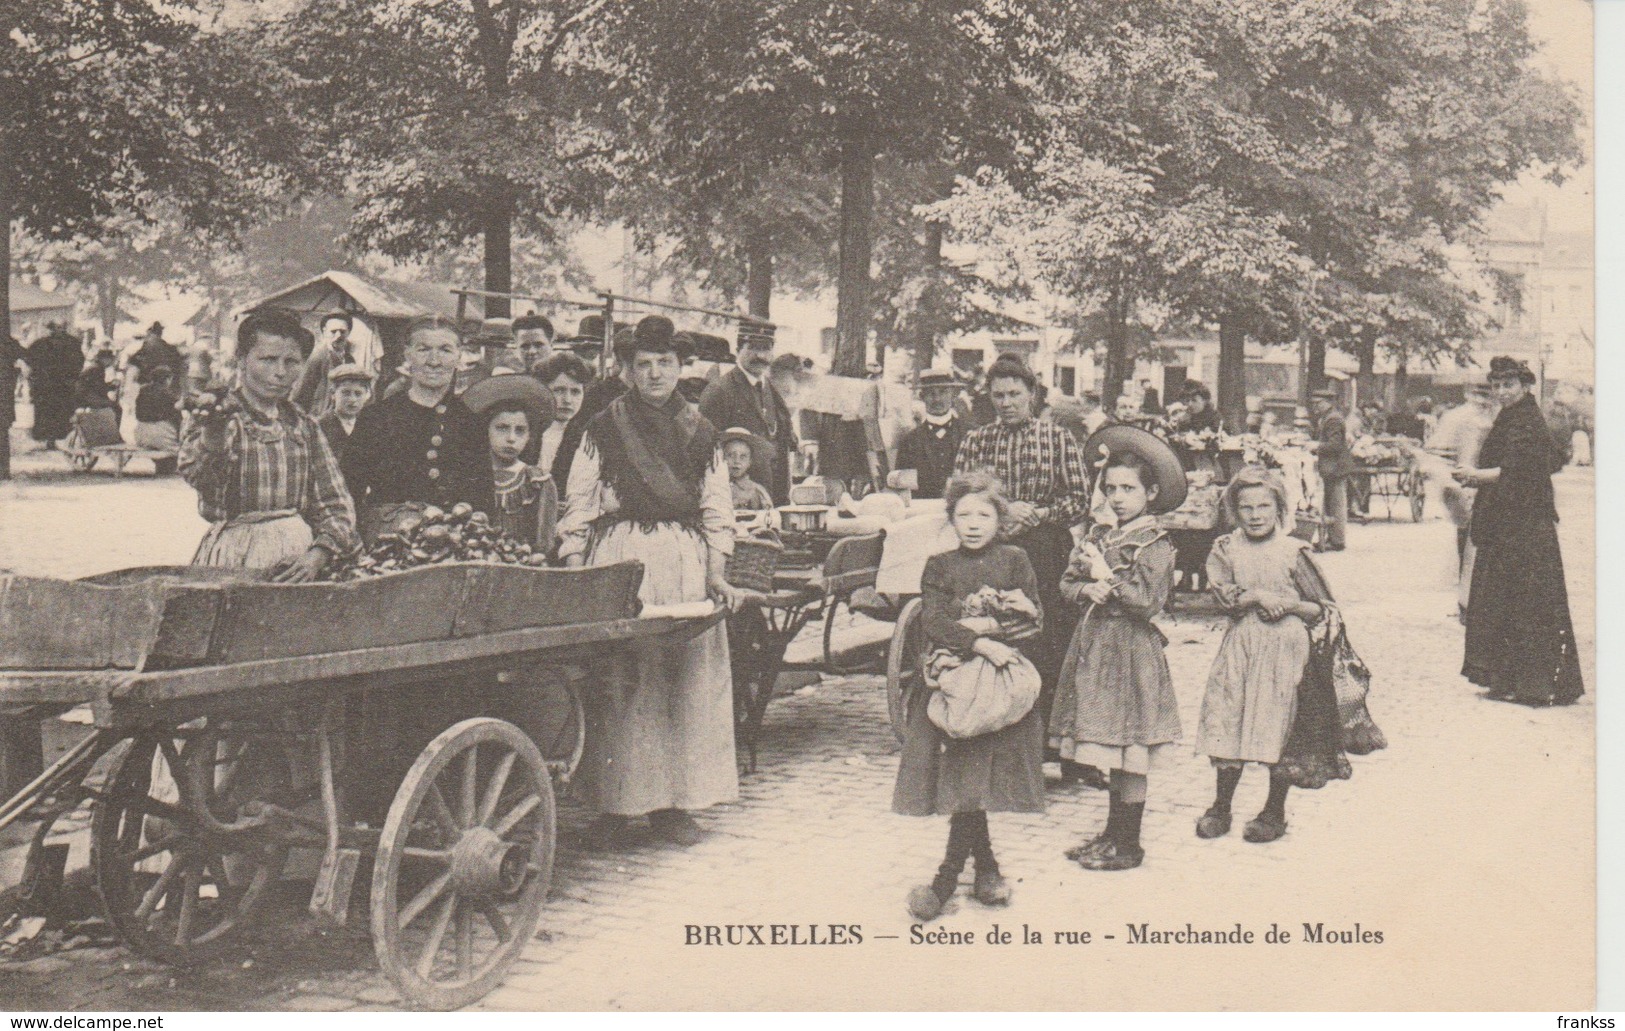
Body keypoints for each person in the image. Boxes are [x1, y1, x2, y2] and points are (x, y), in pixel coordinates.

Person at [557, 314, 742, 848]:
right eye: (644, 365)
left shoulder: (702, 432)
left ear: (681, 367)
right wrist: (577, 573)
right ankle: (616, 806)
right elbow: (580, 503)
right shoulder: (603, 426)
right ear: (627, 370)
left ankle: (676, 804)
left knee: (682, 681)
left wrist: (716, 573)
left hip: (683, 566)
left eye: (666, 363)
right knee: (621, 683)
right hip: (621, 561)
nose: (656, 374)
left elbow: (716, 506)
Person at [893, 471, 1045, 921]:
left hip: (999, 688)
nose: (974, 524)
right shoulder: (939, 565)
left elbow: (1034, 620)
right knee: (964, 775)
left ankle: (953, 875)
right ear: (951, 519)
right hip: (955, 683)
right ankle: (977, 870)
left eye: (984, 514)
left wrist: (994, 626)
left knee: (977, 778)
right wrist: (979, 641)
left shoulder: (1016, 559)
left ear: (1001, 519)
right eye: (963, 515)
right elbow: (934, 622)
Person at [1195, 466, 1350, 845]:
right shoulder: (1227, 549)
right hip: (1242, 647)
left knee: (1277, 724)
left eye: (1264, 506)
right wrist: (1253, 597)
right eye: (1246, 507)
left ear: (1279, 508)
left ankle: (1273, 810)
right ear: (1234, 510)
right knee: (1228, 716)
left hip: (1286, 651)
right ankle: (1221, 806)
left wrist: (1288, 604)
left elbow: (1322, 608)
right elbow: (1221, 597)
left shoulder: (1293, 552)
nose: (1255, 515)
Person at [954, 354, 1093, 772]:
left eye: (1015, 394)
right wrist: (1000, 511)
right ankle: (998, 738)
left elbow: (1080, 500)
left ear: (1032, 394)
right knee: (1001, 636)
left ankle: (1052, 742)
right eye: (998, 395)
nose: (1006, 402)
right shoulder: (975, 441)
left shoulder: (1057, 438)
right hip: (991, 553)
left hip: (1046, 552)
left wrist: (1040, 513)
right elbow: (959, 496)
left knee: (1050, 641)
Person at [1050, 450, 1181, 871]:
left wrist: (1106, 578)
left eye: (1129, 489)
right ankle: (1112, 834)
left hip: (1132, 652)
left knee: (1133, 748)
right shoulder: (1100, 537)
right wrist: (1085, 590)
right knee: (1114, 750)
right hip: (1097, 646)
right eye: (1111, 489)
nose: (1118, 498)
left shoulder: (1156, 545)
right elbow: (1067, 582)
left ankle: (1130, 843)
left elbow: (1145, 601)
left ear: (1152, 492)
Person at [179, 308, 359, 579]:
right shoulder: (220, 417)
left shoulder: (305, 426)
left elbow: (335, 502)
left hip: (299, 559)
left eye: (291, 362)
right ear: (242, 360)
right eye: (268, 359)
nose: (280, 372)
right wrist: (213, 435)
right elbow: (203, 481)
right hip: (234, 557)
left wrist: (317, 555)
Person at [1456, 357, 1584, 706]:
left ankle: (1534, 686)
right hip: (1506, 523)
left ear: (1525, 386)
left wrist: (1475, 476)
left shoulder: (1527, 419)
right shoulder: (1511, 416)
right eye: (1497, 385)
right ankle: (1504, 678)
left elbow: (1520, 469)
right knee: (1501, 600)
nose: (1501, 391)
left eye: (1508, 385)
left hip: (1525, 527)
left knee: (1528, 604)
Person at [341, 315, 494, 542]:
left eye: (445, 350)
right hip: (388, 540)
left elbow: (483, 501)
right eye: (423, 349)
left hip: (452, 542)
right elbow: (347, 492)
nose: (434, 361)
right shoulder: (376, 417)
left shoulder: (470, 422)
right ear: (407, 354)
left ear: (458, 356)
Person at [698, 330, 798, 504]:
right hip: (737, 498)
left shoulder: (770, 388)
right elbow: (704, 450)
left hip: (774, 494)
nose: (760, 355)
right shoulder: (719, 390)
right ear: (738, 350)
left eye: (766, 349)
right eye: (752, 348)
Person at [464, 373, 559, 552]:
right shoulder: (468, 477)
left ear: (530, 436)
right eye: (502, 428)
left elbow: (544, 543)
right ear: (486, 430)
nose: (511, 438)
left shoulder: (538, 482)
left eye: (520, 431)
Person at [892, 370, 965, 500]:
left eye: (943, 392)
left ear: (953, 394)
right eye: (931, 393)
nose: (937, 399)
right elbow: (903, 489)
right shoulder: (909, 441)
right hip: (922, 510)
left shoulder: (969, 435)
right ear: (922, 396)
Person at [23, 322, 82, 449]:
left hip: (58, 385)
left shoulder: (72, 343)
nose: (58, 331)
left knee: (58, 412)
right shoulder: (40, 344)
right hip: (48, 386)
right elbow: (30, 362)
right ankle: (51, 440)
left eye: (61, 328)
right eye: (56, 328)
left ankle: (58, 439)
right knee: (49, 412)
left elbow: (78, 363)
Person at [1310, 388, 1355, 551]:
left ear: (1327, 403)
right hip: (1333, 467)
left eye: (1318, 403)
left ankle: (1337, 541)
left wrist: (1316, 446)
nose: (1315, 407)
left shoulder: (1333, 419)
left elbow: (1335, 445)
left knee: (1336, 504)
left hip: (1336, 467)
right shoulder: (1328, 417)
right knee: (1332, 503)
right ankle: (1333, 538)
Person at [290, 312, 358, 417]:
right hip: (318, 416)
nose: (338, 336)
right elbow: (299, 394)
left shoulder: (350, 360)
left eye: (343, 331)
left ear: (349, 332)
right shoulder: (318, 357)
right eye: (333, 331)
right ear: (324, 332)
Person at [533, 353, 591, 473]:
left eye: (575, 392)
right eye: (559, 390)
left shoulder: (586, 439)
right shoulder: (529, 433)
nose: (567, 400)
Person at [317, 362, 374, 459]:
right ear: (333, 394)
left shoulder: (370, 426)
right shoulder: (319, 426)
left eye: (358, 394)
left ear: (366, 396)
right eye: (346, 393)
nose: (352, 400)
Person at [133, 365, 182, 475]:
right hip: (161, 436)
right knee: (175, 442)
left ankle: (162, 466)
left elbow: (138, 413)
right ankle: (167, 467)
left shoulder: (143, 390)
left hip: (141, 434)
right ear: (167, 379)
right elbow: (176, 416)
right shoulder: (167, 394)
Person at [720, 427, 774, 512]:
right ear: (721, 457)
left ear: (750, 462)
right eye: (731, 455)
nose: (737, 461)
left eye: (743, 457)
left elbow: (769, 516)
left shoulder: (755, 490)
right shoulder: (713, 486)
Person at [1, 335, 25, 479]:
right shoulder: (8, 341)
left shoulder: (8, 342)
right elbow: (24, 355)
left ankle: (3, 470)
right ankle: (3, 470)